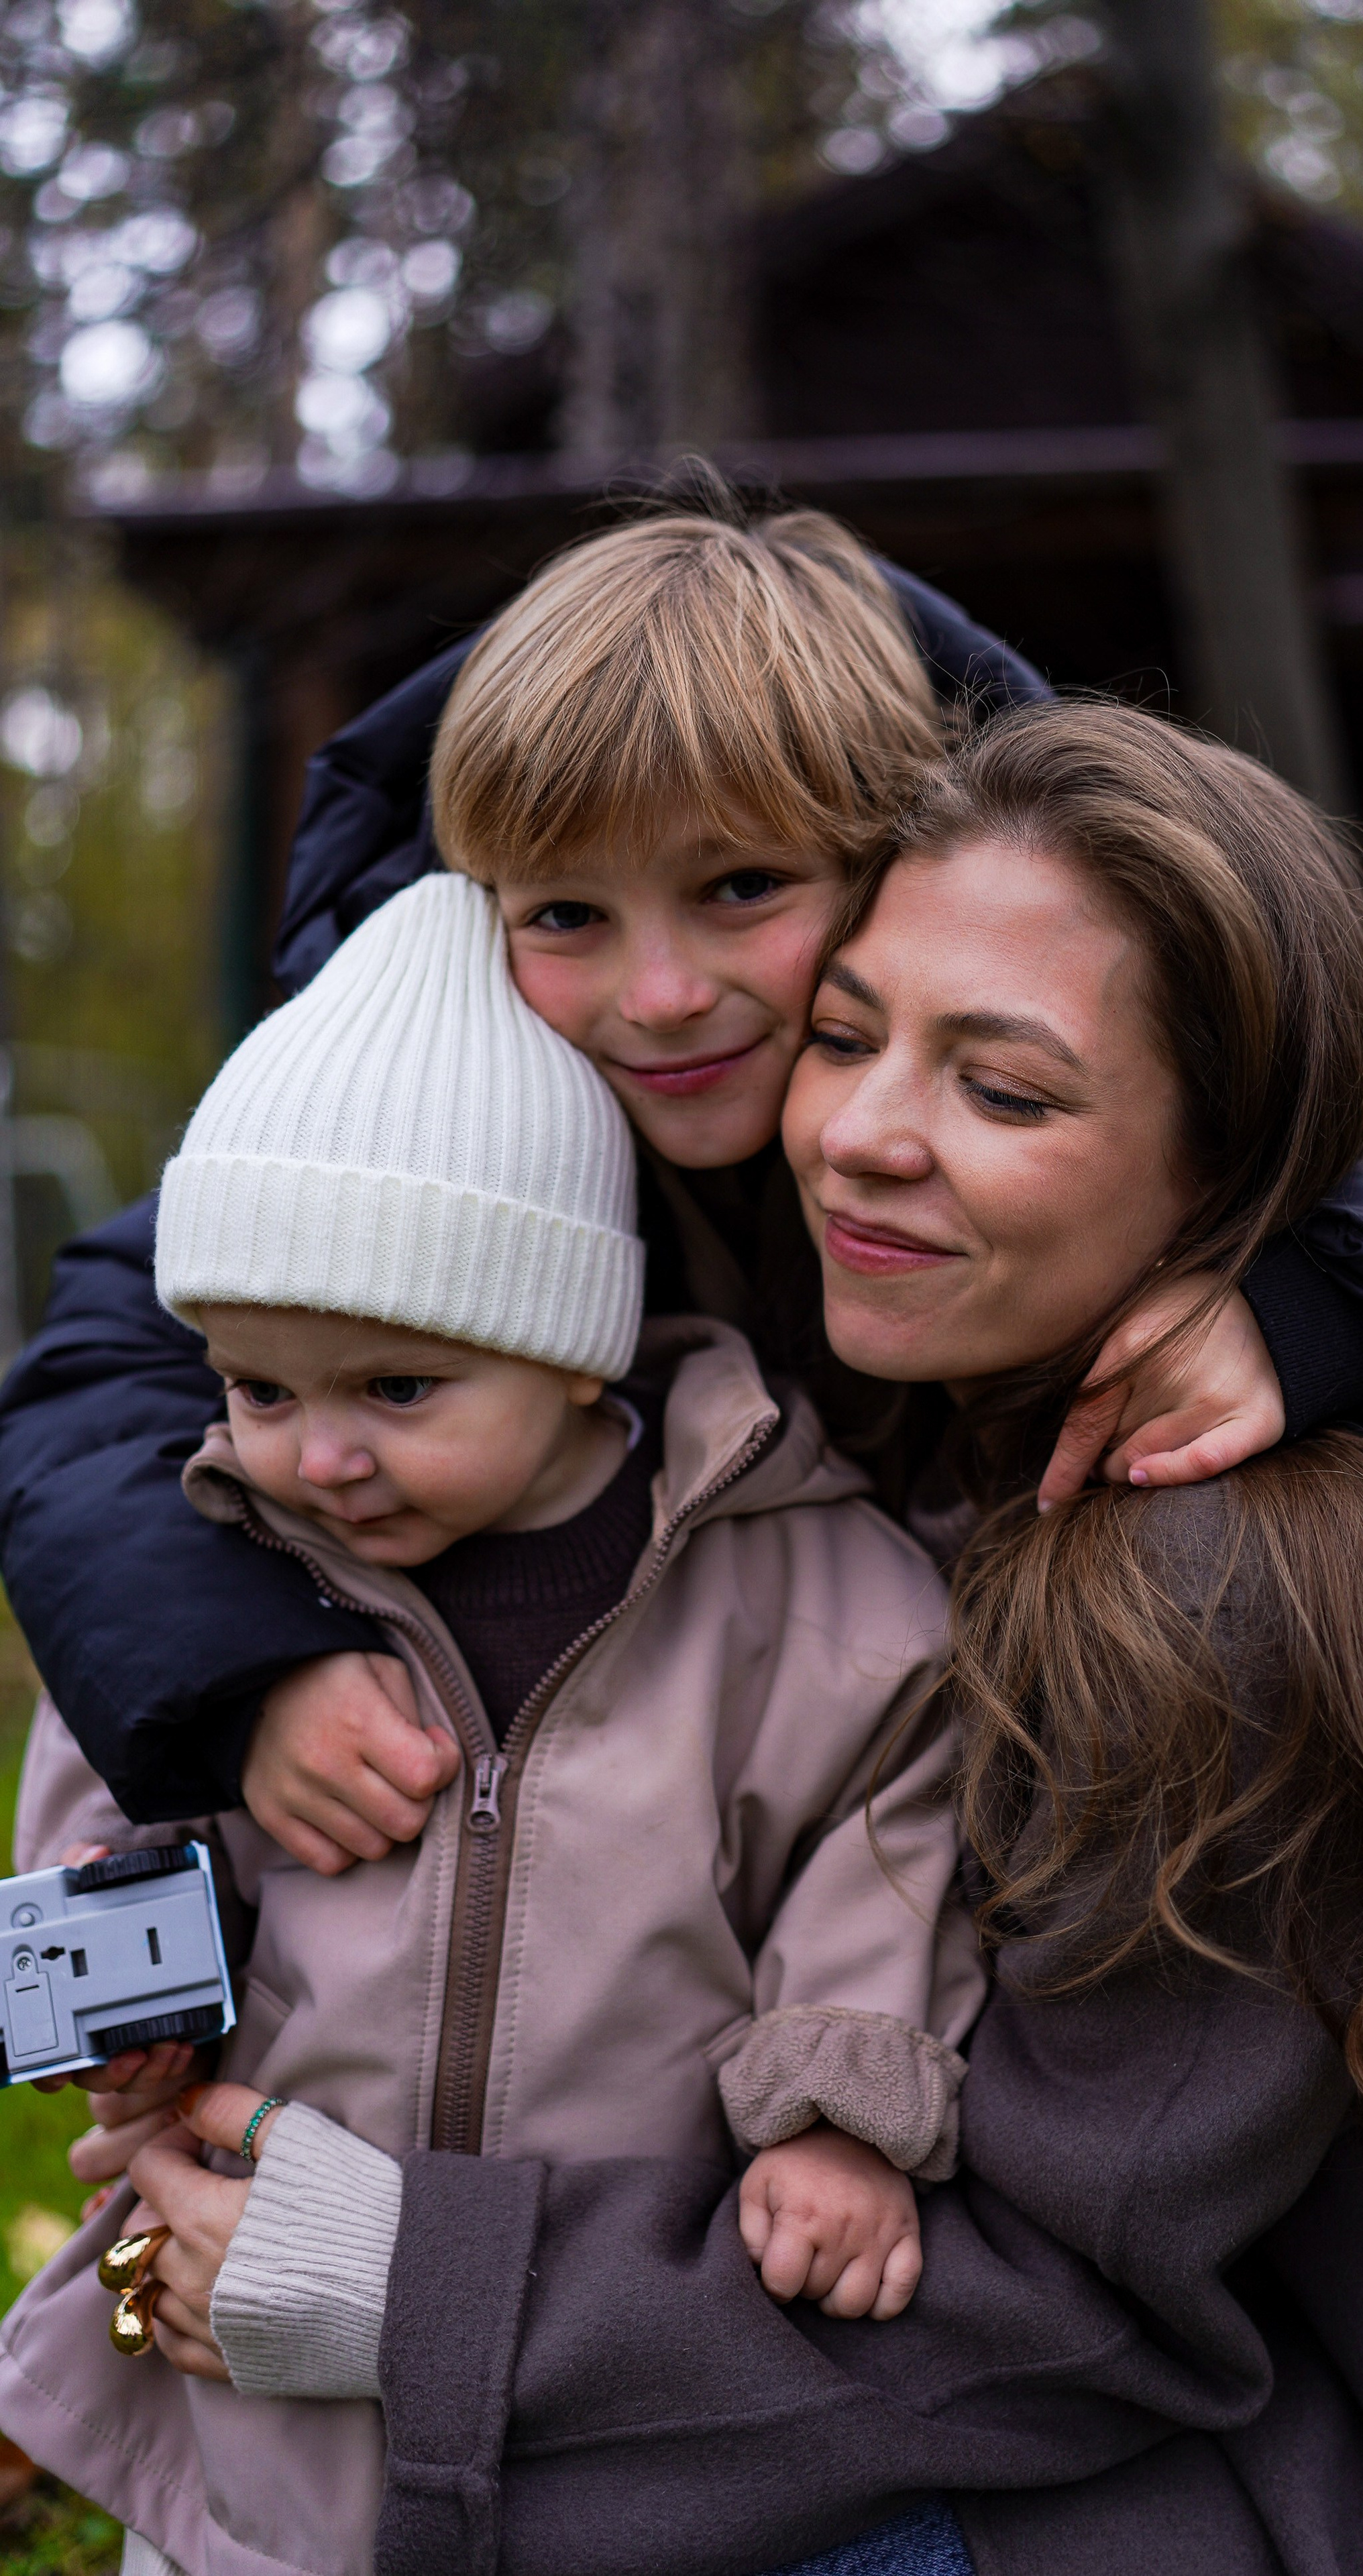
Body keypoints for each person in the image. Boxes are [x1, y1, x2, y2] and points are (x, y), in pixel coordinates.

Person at [55, 700, 1363, 2576]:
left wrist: (400, 2287)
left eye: (1003, 1091)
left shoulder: (1220, 1578)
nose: (856, 1139)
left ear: (1226, 1187)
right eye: (846, 1037)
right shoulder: (916, 1434)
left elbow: (1074, 2307)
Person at [0, 498, 1363, 1852]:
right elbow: (102, 1364)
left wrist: (1301, 1307)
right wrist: (241, 1667)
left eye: (742, 888)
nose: (661, 995)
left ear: (891, 851)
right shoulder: (440, 1092)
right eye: (565, 916)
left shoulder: (1047, 947)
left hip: (979, 1773)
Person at [0, 869, 981, 2576]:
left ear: (576, 1353)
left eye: (397, 1389)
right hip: (263, 2343)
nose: (319, 1457)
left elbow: (885, 1836)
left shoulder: (787, 1598)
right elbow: (106, 1795)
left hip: (594, 2309)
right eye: (259, 1386)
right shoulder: (234, 1573)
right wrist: (128, 2003)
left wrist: (837, 2099)